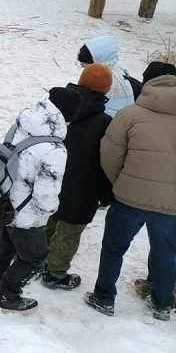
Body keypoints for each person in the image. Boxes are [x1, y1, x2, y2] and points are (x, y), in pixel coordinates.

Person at [84, 61, 176, 322]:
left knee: (114, 248)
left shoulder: (129, 114)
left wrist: (120, 183)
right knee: (166, 252)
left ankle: (104, 297)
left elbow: (109, 155)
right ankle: (162, 302)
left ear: (147, 82)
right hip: (170, 204)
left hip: (129, 198)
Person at [0, 86, 80, 314]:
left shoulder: (21, 126)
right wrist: (50, 211)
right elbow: (45, 195)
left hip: (4, 203)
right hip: (27, 214)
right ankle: (8, 294)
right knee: (34, 258)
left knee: (3, 247)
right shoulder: (54, 148)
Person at [42, 64, 114, 291]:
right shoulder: (104, 122)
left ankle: (33, 259)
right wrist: (106, 193)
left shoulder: (59, 107)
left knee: (47, 219)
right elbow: (105, 161)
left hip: (51, 175)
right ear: (106, 90)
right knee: (69, 231)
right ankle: (55, 274)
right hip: (83, 185)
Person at [77, 35, 135, 117]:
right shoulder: (113, 71)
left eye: (84, 63)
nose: (81, 66)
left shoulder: (107, 80)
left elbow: (112, 112)